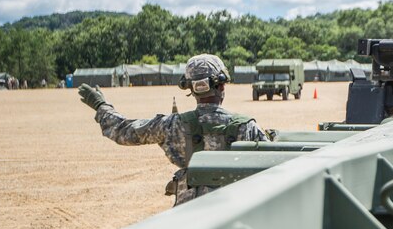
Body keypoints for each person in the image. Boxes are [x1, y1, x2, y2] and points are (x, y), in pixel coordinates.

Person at [78, 54, 268, 206]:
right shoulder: (247, 126)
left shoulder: (172, 125)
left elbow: (123, 131)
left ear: (189, 88)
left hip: (188, 214)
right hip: (234, 209)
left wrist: (101, 106)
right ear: (222, 85)